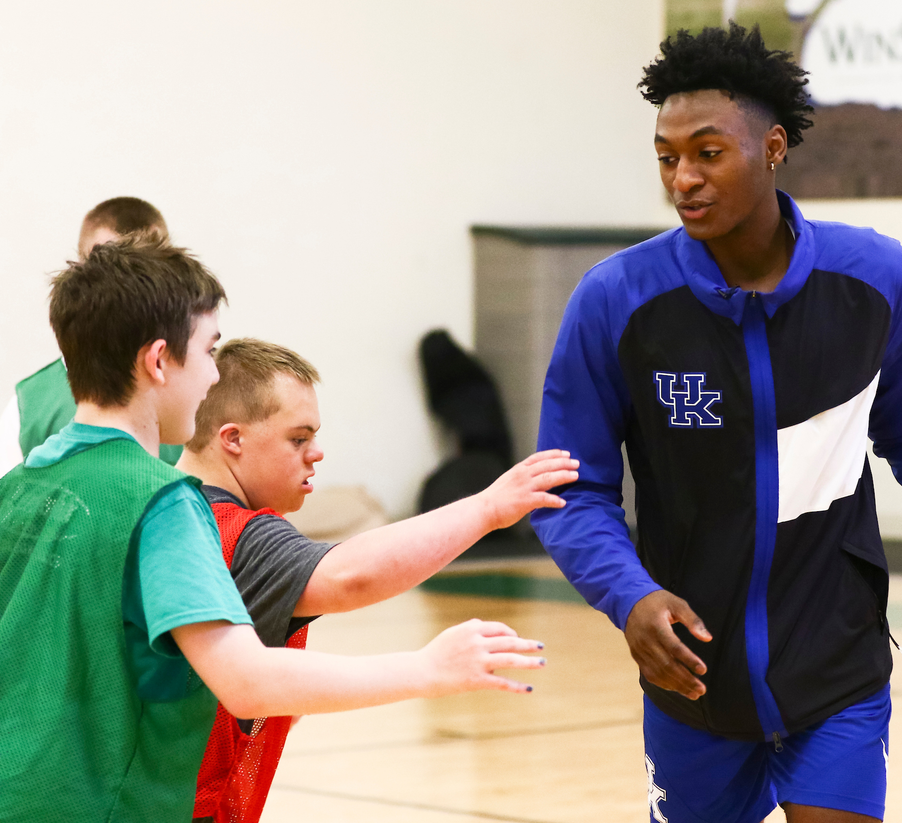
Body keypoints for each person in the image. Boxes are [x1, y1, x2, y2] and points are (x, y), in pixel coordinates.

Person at [531, 24, 902, 823]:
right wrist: (629, 597)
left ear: (772, 147)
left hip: (836, 659)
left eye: (708, 152)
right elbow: (569, 486)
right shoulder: (616, 301)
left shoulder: (872, 278)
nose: (683, 179)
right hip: (693, 676)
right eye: (667, 157)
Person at [0, 240, 561, 823]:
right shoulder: (163, 504)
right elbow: (244, 678)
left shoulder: (17, 486)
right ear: (160, 361)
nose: (215, 373)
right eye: (210, 351)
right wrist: (427, 668)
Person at [177, 338, 578, 823]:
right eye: (298, 438)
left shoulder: (156, 505)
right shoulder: (233, 532)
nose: (317, 453)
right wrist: (487, 508)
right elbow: (350, 576)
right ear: (232, 439)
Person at [0, 196, 182, 472]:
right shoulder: (29, 408)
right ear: (78, 275)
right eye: (108, 268)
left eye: (149, 272)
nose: (130, 289)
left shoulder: (203, 390)